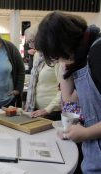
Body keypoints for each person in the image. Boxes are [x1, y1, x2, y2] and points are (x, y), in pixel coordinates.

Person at [34, 11, 101, 173]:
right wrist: (66, 66)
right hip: (93, 156)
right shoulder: (81, 58)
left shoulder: (97, 53)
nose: (57, 60)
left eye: (56, 55)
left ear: (63, 43)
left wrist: (86, 133)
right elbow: (70, 101)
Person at [24, 25, 62, 121]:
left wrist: (47, 110)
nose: (30, 46)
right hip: (37, 110)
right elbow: (36, 79)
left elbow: (63, 90)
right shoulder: (38, 55)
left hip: (53, 112)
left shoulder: (57, 58)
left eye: (31, 41)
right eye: (28, 42)